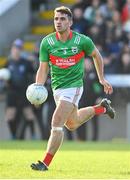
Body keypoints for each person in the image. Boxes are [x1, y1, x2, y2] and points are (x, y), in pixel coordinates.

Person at [30, 6, 115, 171]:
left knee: (56, 122)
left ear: (70, 22)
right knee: (72, 123)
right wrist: (38, 88)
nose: (58, 22)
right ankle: (102, 109)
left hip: (74, 87)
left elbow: (96, 55)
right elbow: (43, 68)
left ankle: (45, 163)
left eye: (62, 19)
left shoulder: (82, 41)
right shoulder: (47, 42)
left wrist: (101, 78)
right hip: (57, 89)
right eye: (56, 19)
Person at [5, 39, 36, 139]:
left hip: (24, 92)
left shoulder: (26, 62)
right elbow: (4, 76)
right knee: (10, 115)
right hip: (12, 92)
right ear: (12, 49)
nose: (17, 50)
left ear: (21, 50)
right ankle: (13, 135)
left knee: (29, 114)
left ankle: (33, 136)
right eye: (15, 48)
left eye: (19, 48)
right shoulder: (8, 62)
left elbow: (34, 73)